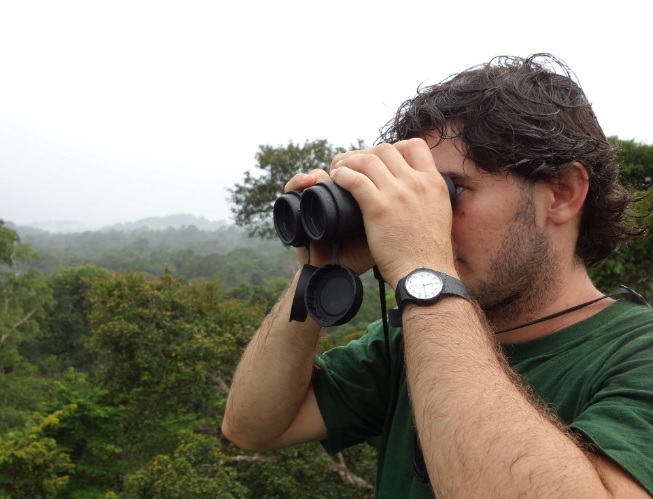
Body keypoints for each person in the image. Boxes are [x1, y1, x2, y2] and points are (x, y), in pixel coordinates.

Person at [221, 54, 653, 497]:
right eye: (418, 195)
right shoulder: (408, 342)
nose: (428, 219)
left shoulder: (637, 354)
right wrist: (320, 270)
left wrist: (423, 272)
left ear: (562, 193)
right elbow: (254, 426)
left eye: (449, 191)